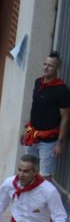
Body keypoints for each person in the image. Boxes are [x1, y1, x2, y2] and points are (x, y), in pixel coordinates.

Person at [23, 52, 70, 180]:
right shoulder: (38, 82)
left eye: (50, 66)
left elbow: (65, 117)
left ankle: (43, 200)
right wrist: (26, 132)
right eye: (45, 64)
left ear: (57, 69)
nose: (46, 67)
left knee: (44, 176)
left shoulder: (62, 90)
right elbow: (35, 108)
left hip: (49, 141)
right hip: (32, 134)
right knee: (27, 170)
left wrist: (60, 143)